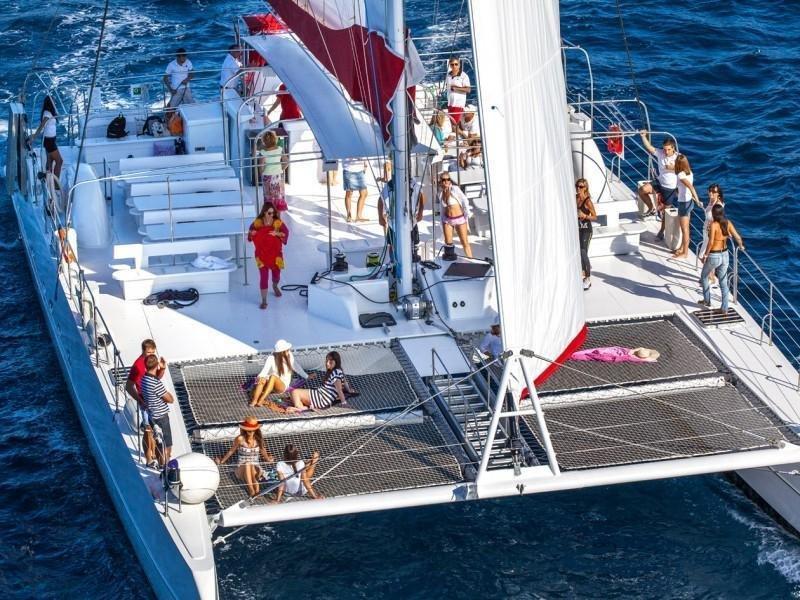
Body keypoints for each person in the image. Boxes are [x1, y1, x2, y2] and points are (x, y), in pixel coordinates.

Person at [125, 339, 167, 469]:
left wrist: (162, 368)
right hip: (144, 402)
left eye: (153, 352)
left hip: (154, 402)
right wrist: (140, 400)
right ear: (143, 351)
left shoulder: (152, 361)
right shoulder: (137, 365)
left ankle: (156, 456)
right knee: (148, 430)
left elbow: (156, 377)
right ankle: (149, 460)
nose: (151, 355)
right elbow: (129, 386)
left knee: (156, 430)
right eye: (149, 352)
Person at [214, 416, 275, 498]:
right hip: (241, 468)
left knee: (251, 466)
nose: (251, 431)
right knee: (247, 464)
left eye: (252, 430)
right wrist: (222, 461)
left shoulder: (258, 439)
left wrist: (268, 459)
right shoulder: (240, 439)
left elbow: (263, 450)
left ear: (256, 430)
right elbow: (231, 451)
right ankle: (251, 490)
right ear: (245, 429)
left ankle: (257, 490)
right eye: (249, 430)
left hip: (255, 467)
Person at [699, 205, 744, 313]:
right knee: (723, 282)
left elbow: (711, 242)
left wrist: (705, 255)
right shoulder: (728, 223)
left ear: (714, 214)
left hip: (714, 255)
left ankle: (707, 301)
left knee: (704, 276)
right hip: (725, 254)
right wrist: (741, 246)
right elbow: (737, 237)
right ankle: (724, 308)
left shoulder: (714, 225)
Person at [248, 202, 289, 309]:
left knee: (277, 274)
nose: (272, 215)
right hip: (261, 254)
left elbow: (286, 232)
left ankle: (275, 286)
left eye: (273, 213)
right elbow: (250, 232)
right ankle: (264, 300)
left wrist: (277, 233)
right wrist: (252, 233)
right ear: (264, 212)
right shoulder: (258, 222)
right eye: (270, 213)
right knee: (264, 276)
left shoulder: (277, 222)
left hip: (276, 254)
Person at [637, 132, 678, 239]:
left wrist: (673, 168)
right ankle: (651, 208)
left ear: (673, 148)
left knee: (665, 213)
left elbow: (686, 169)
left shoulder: (678, 157)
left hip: (670, 188)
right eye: (664, 149)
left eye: (668, 149)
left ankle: (661, 231)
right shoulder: (660, 153)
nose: (666, 151)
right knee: (642, 190)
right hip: (659, 182)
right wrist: (643, 136)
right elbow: (649, 147)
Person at [287, 351, 355, 413]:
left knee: (294, 392)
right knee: (295, 394)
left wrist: (344, 403)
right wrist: (349, 390)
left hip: (322, 399)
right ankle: (303, 406)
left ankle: (300, 408)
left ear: (336, 362)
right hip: (322, 396)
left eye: (330, 361)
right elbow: (345, 382)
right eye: (327, 361)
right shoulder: (339, 371)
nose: (327, 363)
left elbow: (339, 390)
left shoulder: (335, 373)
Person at [251, 339, 310, 408]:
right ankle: (254, 401)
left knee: (273, 377)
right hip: (270, 383)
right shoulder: (271, 358)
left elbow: (296, 367)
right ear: (281, 352)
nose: (288, 351)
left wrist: (307, 376)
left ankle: (261, 400)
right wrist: (260, 377)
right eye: (286, 350)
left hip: (282, 385)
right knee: (262, 379)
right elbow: (264, 371)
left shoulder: (289, 356)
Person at [378, 176, 425, 262]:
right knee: (392, 245)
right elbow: (381, 199)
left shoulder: (413, 184)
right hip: (394, 223)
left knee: (413, 244)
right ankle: (393, 262)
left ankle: (412, 260)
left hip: (411, 221)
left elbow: (421, 195)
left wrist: (421, 212)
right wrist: (380, 217)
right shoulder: (390, 185)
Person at [141, 354, 175, 468]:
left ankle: (161, 464)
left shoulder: (144, 379)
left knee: (159, 442)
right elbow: (170, 399)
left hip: (152, 416)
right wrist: (166, 392)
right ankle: (165, 467)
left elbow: (155, 377)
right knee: (167, 445)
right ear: (156, 366)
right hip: (161, 418)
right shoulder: (156, 383)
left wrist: (162, 368)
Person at [672, 153, 702, 258]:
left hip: (683, 203)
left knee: (684, 230)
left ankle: (685, 253)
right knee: (686, 228)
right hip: (689, 201)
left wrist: (697, 200)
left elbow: (690, 187)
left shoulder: (681, 175)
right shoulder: (689, 172)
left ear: (678, 164)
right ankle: (681, 248)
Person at [27, 95, 63, 181]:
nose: (55, 103)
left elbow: (58, 117)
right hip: (49, 141)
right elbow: (41, 126)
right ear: (50, 103)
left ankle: (47, 178)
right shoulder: (47, 113)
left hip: (50, 140)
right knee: (59, 161)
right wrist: (33, 137)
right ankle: (55, 184)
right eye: (53, 101)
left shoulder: (50, 112)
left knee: (50, 160)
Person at [438, 172, 473, 258]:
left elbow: (464, 200)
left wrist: (467, 212)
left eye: (448, 179)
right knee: (448, 244)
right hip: (447, 220)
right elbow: (443, 208)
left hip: (459, 219)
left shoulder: (454, 189)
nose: (446, 181)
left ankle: (471, 261)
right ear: (441, 182)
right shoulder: (441, 193)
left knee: (464, 243)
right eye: (444, 180)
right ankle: (450, 260)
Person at [699, 184, 725, 282]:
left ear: (718, 194)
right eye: (710, 191)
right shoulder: (711, 200)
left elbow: (719, 219)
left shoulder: (718, 205)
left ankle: (710, 277)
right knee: (708, 256)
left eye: (714, 192)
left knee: (703, 256)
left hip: (711, 232)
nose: (711, 193)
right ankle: (711, 276)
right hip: (705, 230)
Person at [257, 131, 288, 211]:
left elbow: (261, 167)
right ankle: (278, 216)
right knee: (279, 195)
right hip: (278, 175)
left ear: (264, 141)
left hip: (267, 176)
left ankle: (270, 214)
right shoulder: (280, 149)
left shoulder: (263, 152)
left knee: (269, 196)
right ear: (275, 139)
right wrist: (281, 169)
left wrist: (261, 173)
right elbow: (286, 162)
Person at [576, 178, 597, 290]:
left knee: (583, 252)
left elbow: (595, 216)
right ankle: (583, 270)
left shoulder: (587, 201)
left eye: (581, 187)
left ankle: (587, 279)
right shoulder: (575, 198)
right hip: (578, 229)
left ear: (585, 188)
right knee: (580, 252)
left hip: (586, 230)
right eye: (577, 186)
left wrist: (585, 216)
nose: (578, 188)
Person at [444, 57, 470, 124]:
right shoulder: (448, 75)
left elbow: (468, 89)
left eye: (456, 64)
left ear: (459, 65)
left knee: (455, 124)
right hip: (450, 104)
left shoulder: (464, 76)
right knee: (452, 124)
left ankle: (460, 131)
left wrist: (456, 88)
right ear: (450, 65)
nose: (454, 66)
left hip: (458, 104)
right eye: (452, 64)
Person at [342, 158, 368, 223]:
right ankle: (349, 215)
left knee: (364, 193)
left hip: (360, 169)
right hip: (349, 169)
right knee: (349, 193)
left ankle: (359, 216)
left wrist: (365, 163)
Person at [570, 347, 660, 363]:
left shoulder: (630, 351)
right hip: (613, 356)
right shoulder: (633, 358)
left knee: (593, 352)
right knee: (590, 356)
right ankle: (572, 355)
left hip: (614, 352)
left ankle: (573, 354)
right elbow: (646, 359)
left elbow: (640, 348)